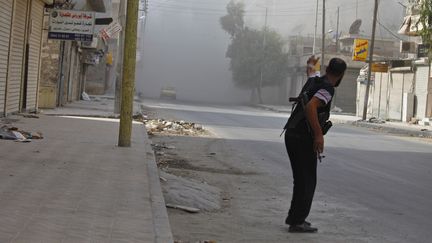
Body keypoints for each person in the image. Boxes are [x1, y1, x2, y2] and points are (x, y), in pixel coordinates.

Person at [283, 57, 347, 233]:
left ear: (327, 69)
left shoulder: (315, 80)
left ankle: (295, 217)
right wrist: (319, 135)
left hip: (291, 134)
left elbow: (311, 72)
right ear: (341, 75)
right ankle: (297, 222)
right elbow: (311, 107)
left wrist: (310, 64)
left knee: (301, 179)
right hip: (302, 138)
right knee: (307, 181)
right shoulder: (327, 89)